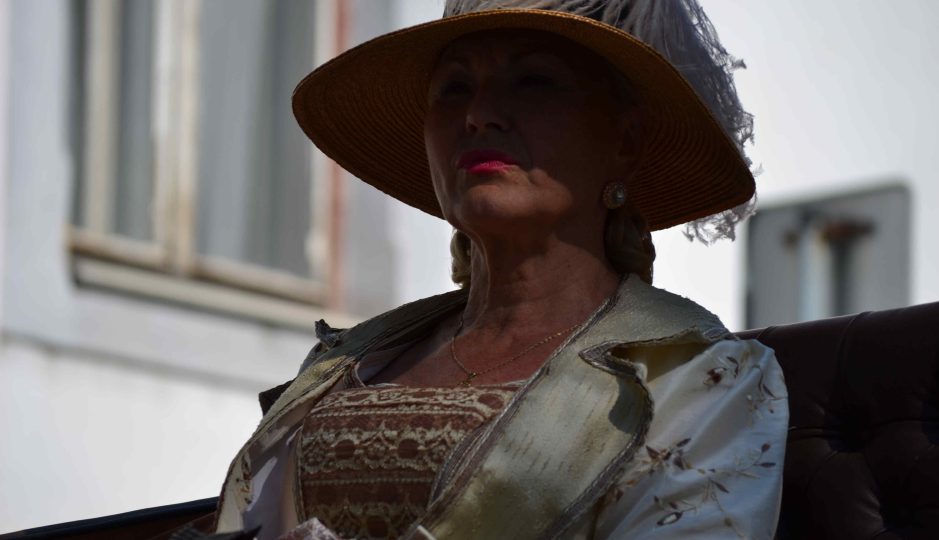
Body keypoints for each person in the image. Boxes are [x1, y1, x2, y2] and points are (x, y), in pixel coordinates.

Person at [210, 1, 788, 539]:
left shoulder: (696, 376)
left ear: (625, 140)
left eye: (532, 81)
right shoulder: (350, 359)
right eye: (454, 88)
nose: (479, 115)